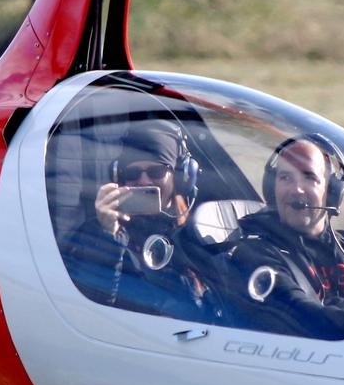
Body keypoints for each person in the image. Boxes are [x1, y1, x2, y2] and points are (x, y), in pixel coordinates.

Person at [224, 133, 344, 340]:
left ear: (332, 191)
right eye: (285, 178)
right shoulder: (254, 254)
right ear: (272, 189)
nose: (296, 189)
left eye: (309, 177)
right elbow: (297, 311)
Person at [59, 119, 223, 324]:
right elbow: (93, 313)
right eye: (133, 173)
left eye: (156, 171)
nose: (144, 181)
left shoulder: (200, 231)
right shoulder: (97, 233)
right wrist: (107, 235)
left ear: (180, 176)